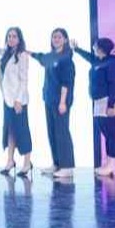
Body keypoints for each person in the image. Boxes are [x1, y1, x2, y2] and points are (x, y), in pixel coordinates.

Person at [0, 27, 33, 176]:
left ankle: (27, 163)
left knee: (22, 131)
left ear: (19, 39)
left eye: (14, 36)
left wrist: (18, 100)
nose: (11, 39)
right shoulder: (7, 53)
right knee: (10, 130)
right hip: (7, 99)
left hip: (19, 101)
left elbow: (24, 80)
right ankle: (10, 161)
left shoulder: (23, 55)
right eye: (9, 36)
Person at [72, 37, 115, 177]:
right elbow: (88, 57)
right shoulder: (98, 61)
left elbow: (114, 85)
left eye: (95, 46)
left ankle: (112, 164)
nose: (93, 48)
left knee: (111, 133)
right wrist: (76, 49)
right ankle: (108, 163)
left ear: (101, 48)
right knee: (105, 132)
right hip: (98, 102)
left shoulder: (112, 63)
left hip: (108, 101)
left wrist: (111, 105)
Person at [30, 28, 76, 179]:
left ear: (65, 39)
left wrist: (63, 102)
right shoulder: (50, 57)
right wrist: (25, 51)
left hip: (60, 102)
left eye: (59, 37)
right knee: (52, 133)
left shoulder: (66, 58)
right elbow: (39, 56)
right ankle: (56, 164)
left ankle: (67, 167)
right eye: (54, 37)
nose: (56, 39)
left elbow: (66, 83)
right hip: (49, 100)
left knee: (62, 132)